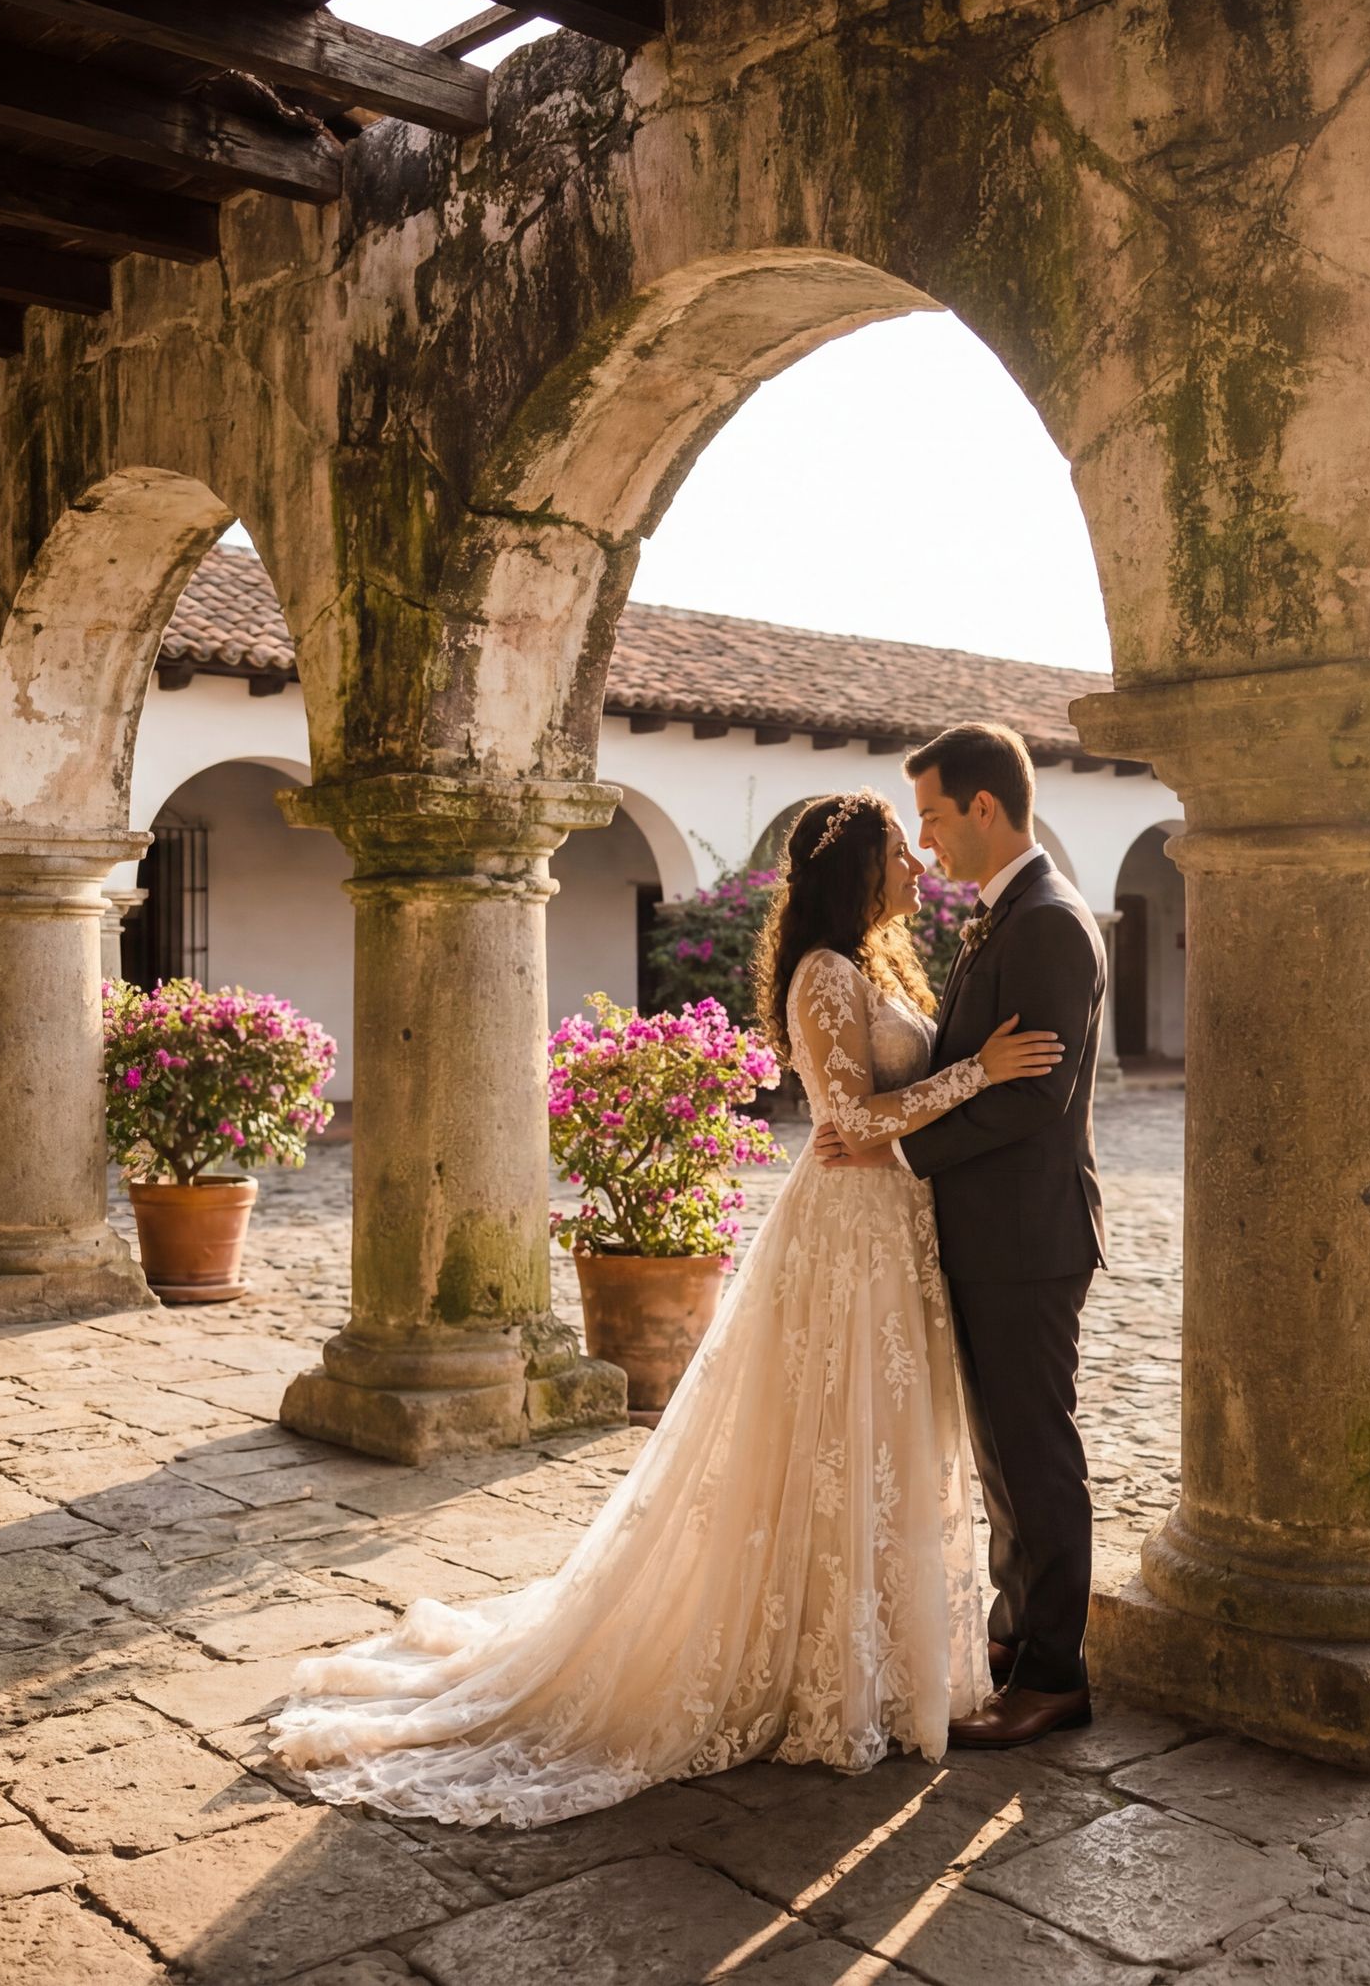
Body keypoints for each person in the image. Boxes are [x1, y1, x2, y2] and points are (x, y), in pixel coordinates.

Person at [266, 785, 1066, 1827]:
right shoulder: (823, 975)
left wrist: (948, 1085)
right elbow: (850, 1120)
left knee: (881, 1439)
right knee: (832, 1433)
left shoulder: (873, 964)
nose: (919, 864)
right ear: (856, 872)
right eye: (899, 854)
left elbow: (874, 1117)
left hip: (892, 1233)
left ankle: (878, 1649)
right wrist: (981, 1075)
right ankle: (815, 1661)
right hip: (844, 1240)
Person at [812, 721, 1106, 1750]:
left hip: (1028, 1236)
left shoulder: (1049, 923)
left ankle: (1057, 1673)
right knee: (1001, 1460)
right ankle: (1016, 1639)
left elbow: (1036, 1100)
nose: (926, 842)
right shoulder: (1003, 915)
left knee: (1036, 1455)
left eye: (933, 817)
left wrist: (900, 1155)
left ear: (986, 807)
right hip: (985, 1233)